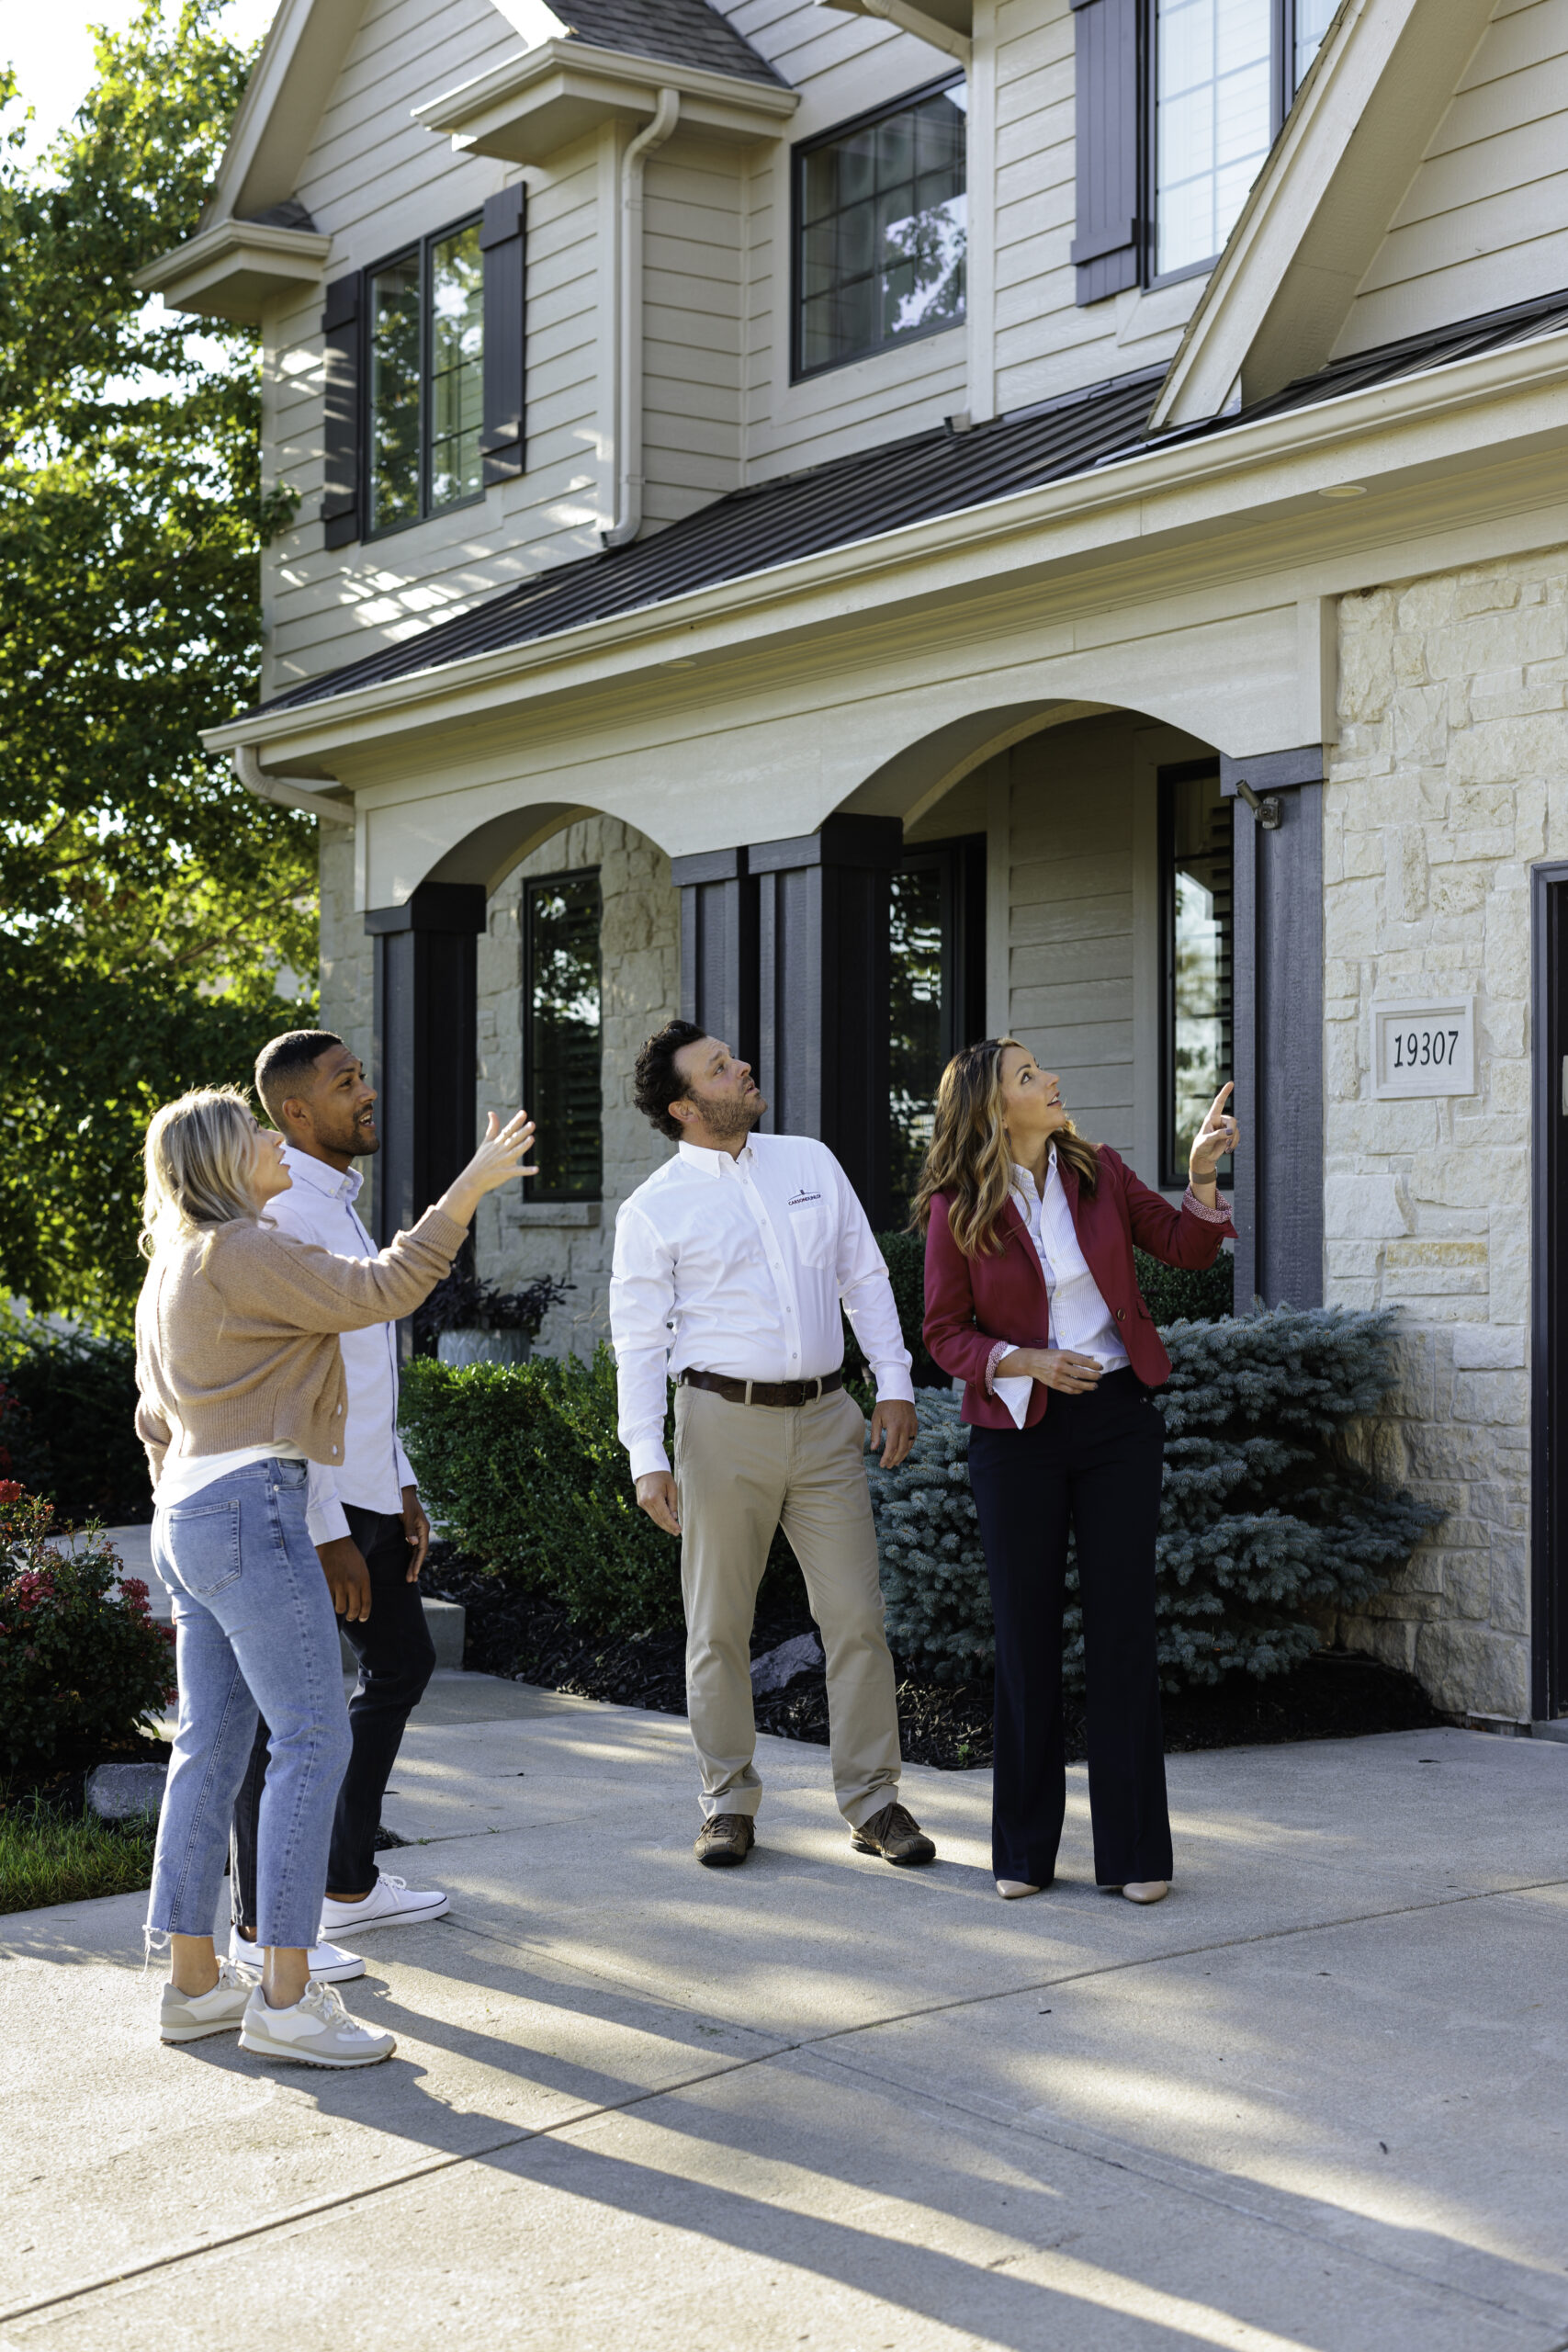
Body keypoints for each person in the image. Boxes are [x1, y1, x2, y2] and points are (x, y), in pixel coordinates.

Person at [137, 1085, 535, 2066]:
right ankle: (285, 1993)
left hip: (187, 1510)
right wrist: (472, 1186)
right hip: (246, 1506)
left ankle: (194, 1986)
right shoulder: (243, 1249)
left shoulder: (172, 1265)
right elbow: (382, 1288)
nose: (276, 1139)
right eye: (257, 1132)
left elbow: (152, 1420)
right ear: (227, 1161)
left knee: (213, 1747)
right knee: (312, 1735)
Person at [918, 1040, 1238, 1907]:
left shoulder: (1100, 1172)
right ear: (993, 1109)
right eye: (1029, 1077)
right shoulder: (957, 1207)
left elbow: (1184, 1247)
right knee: (1024, 1639)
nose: (1051, 1081)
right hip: (1015, 1433)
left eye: (1043, 1071)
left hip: (1114, 1422)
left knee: (1123, 1631)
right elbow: (944, 1334)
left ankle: (1135, 1853)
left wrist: (1202, 1180)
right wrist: (1023, 1360)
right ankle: (1022, 1851)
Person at [609, 1019, 931, 1871]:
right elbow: (637, 1340)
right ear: (684, 1106)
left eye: (734, 1057)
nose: (741, 1066)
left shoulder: (810, 1162)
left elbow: (862, 1275)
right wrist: (646, 1454)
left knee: (856, 1619)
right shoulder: (654, 1210)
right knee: (717, 1625)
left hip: (829, 1419)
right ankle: (726, 1801)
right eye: (719, 1067)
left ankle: (873, 1801)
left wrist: (892, 1382)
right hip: (721, 1426)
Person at [227, 1031, 447, 1986]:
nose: (367, 1091)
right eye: (344, 1081)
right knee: (282, 1713)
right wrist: (326, 1534)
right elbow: (297, 1394)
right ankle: (253, 1923)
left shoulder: (344, 1209)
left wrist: (400, 1482)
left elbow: (364, 1377)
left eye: (364, 1073)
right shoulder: (286, 1222)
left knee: (401, 1663)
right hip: (312, 1503)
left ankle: (346, 1880)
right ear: (295, 1112)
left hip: (366, 1492)